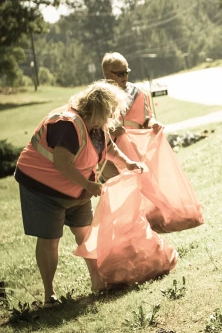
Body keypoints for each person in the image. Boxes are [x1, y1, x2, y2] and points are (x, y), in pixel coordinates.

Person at [14, 81, 144, 303]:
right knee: (50, 238)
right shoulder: (67, 125)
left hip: (77, 189)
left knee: (85, 232)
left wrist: (128, 163)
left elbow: (109, 147)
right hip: (43, 189)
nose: (113, 115)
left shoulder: (96, 123)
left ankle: (97, 280)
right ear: (100, 109)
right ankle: (49, 294)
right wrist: (88, 185)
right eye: (111, 111)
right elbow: (63, 164)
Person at [101, 52, 164, 180]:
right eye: (120, 74)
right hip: (108, 155)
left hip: (136, 152)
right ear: (107, 74)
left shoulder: (139, 94)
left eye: (126, 72)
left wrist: (154, 124)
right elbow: (91, 126)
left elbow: (147, 119)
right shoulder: (98, 97)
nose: (125, 76)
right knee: (119, 189)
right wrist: (109, 130)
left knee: (140, 187)